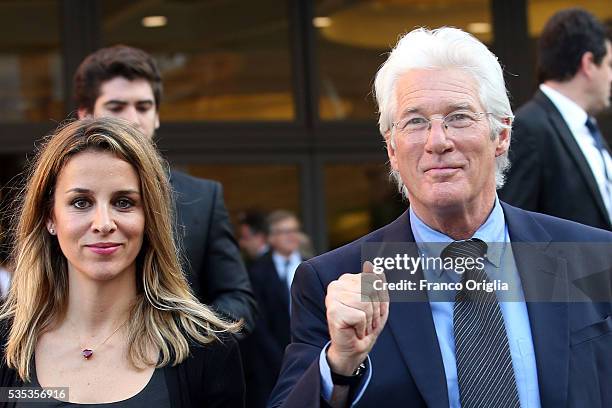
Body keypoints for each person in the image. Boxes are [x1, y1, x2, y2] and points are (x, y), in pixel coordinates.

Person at [268, 27, 612, 408]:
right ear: (392, 149)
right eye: (415, 122)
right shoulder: (342, 280)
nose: (437, 141)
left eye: (459, 117)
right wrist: (339, 365)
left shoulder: (592, 258)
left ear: (501, 135)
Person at [0, 118, 245, 407]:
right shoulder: (7, 344)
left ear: (149, 217)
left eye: (124, 202)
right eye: (81, 202)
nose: (103, 223)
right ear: (50, 218)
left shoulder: (205, 348)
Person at [73, 45, 257, 334]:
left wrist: (181, 341)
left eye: (143, 107)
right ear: (85, 115)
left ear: (157, 116)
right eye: (116, 107)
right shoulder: (60, 193)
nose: (133, 119)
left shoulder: (203, 198)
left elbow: (238, 301)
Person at [499, 8, 612, 230]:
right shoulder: (529, 128)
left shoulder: (588, 127)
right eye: (609, 65)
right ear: (588, 64)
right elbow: (515, 228)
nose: (610, 77)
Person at [241, 210, 305, 408]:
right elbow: (257, 322)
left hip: (309, 355)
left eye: (294, 230)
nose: (291, 236)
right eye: (285, 231)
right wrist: (281, 357)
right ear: (271, 237)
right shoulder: (257, 271)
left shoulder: (313, 263)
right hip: (270, 361)